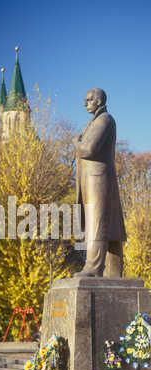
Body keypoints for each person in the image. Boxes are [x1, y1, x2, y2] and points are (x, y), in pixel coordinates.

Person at [74, 88, 126, 277]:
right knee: (109, 224)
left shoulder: (104, 120)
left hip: (98, 179)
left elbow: (88, 148)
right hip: (95, 179)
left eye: (88, 100)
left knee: (97, 221)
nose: (85, 103)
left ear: (98, 101)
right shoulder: (96, 120)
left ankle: (93, 267)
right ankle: (114, 272)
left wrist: (76, 142)